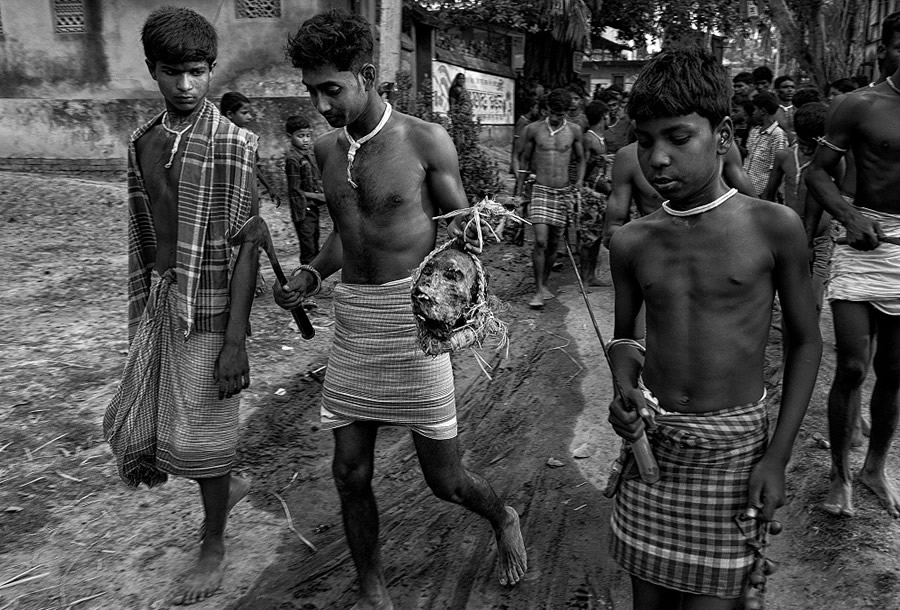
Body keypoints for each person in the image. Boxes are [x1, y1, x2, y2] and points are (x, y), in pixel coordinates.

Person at [276, 11, 527, 608]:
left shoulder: (425, 140)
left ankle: (503, 516)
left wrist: (461, 287)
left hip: (413, 325)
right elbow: (346, 233)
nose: (320, 104)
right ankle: (372, 589)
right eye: (311, 91)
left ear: (365, 76)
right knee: (349, 472)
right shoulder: (327, 151)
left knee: (445, 480)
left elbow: (458, 237)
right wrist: (312, 272)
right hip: (354, 324)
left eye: (330, 89)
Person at [606, 47, 822, 609]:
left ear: (722, 133)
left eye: (678, 138)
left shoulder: (773, 228)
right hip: (653, 454)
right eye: (645, 140)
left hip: (733, 457)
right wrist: (625, 386)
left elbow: (805, 342)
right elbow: (626, 336)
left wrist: (777, 457)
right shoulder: (632, 242)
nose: (657, 158)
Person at [103, 7, 258, 605]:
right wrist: (144, 303)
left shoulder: (232, 144)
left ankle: (213, 540)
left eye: (197, 72)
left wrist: (235, 339)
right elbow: (145, 232)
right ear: (153, 71)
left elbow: (246, 246)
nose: (187, 85)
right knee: (165, 422)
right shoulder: (142, 142)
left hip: (216, 302)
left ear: (212, 69)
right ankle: (227, 488)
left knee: (203, 430)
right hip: (164, 296)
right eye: (173, 72)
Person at [803, 10, 900, 519]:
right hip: (862, 242)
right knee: (854, 365)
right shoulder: (859, 105)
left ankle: (874, 469)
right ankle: (839, 474)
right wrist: (848, 215)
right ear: (884, 49)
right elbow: (816, 173)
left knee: (895, 371)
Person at [516, 87, 585, 309]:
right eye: (554, 113)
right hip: (540, 190)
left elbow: (581, 159)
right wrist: (520, 193)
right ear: (547, 109)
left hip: (562, 193)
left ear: (567, 111)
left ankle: (544, 283)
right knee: (540, 241)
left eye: (562, 114)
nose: (557, 118)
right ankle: (537, 291)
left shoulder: (574, 130)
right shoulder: (533, 130)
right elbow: (524, 161)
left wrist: (579, 183)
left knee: (554, 243)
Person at [220, 91, 282, 208]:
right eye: (244, 113)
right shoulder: (219, 137)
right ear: (229, 114)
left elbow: (253, 165)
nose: (250, 116)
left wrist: (269, 188)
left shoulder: (248, 136)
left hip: (247, 189)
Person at [284, 115, 326, 274]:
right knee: (308, 248)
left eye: (308, 135)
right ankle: (307, 283)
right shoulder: (293, 160)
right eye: (300, 136)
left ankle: (314, 280)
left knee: (314, 244)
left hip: (312, 209)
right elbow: (295, 190)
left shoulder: (309, 156)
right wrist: (318, 196)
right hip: (302, 211)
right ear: (290, 137)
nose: (306, 140)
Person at [578, 100, 612, 286]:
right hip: (590, 193)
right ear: (602, 116)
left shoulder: (601, 138)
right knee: (587, 237)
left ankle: (591, 275)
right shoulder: (589, 138)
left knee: (597, 235)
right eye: (607, 114)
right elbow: (581, 164)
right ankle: (585, 277)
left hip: (600, 193)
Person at [743, 91, 790, 197]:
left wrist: (768, 192)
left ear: (762, 111)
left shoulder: (777, 135)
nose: (753, 113)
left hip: (761, 190)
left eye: (755, 110)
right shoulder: (755, 131)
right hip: (747, 187)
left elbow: (776, 168)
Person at [773, 75, 797, 140]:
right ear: (777, 90)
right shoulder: (772, 110)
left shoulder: (799, 109)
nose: (790, 90)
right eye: (785, 87)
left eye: (792, 87)